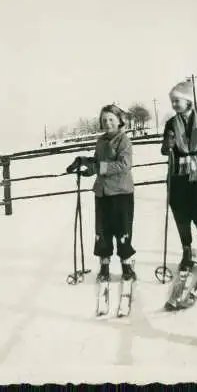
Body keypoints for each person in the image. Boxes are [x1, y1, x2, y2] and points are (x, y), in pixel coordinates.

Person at [66, 104, 136, 282]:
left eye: (111, 119)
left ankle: (126, 265)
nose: (107, 123)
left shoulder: (124, 141)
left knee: (122, 230)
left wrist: (99, 167)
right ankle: (104, 266)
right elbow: (97, 162)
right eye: (104, 120)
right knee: (103, 231)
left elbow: (124, 165)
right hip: (102, 194)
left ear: (119, 121)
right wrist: (83, 163)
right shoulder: (101, 141)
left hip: (121, 193)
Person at [161, 81, 197, 273]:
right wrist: (168, 144)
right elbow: (164, 150)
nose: (174, 105)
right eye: (173, 101)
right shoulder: (170, 123)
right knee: (180, 214)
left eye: (177, 101)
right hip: (178, 176)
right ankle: (187, 252)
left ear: (187, 101)